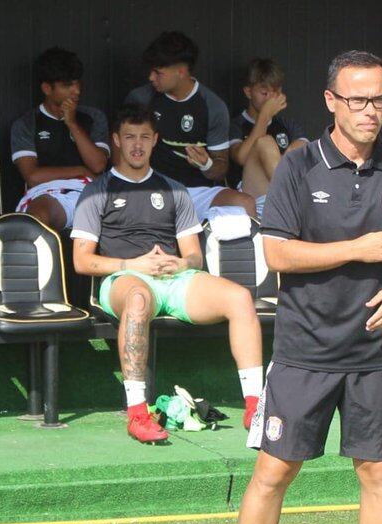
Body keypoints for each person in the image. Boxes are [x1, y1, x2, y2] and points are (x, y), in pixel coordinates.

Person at [212, 50, 382, 524]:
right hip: (305, 351)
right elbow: (277, 253)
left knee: (380, 473)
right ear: (332, 101)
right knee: (273, 471)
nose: (370, 111)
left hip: (376, 355)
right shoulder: (299, 166)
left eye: (380, 98)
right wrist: (357, 249)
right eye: (357, 99)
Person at [71, 105, 262, 443]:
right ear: (116, 140)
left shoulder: (174, 189)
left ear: (155, 140)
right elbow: (83, 261)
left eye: (145, 137)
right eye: (129, 137)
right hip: (124, 278)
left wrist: (181, 264)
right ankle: (137, 413)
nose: (137, 145)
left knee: (240, 297)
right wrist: (134, 265)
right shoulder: (97, 191)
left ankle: (255, 406)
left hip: (173, 279)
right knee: (138, 300)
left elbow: (193, 255)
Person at [124, 31, 257, 220]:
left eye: (158, 72)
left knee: (245, 203)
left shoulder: (213, 106)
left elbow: (221, 167)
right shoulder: (141, 99)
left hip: (197, 192)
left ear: (181, 72)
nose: (151, 77)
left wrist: (206, 164)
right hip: (150, 189)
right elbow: (121, 152)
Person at [11, 47, 109, 231]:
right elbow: (32, 176)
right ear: (47, 88)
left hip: (89, 190)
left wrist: (72, 124)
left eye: (77, 83)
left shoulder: (93, 117)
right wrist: (79, 170)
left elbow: (98, 165)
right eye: (67, 85)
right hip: (48, 193)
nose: (77, 91)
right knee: (38, 216)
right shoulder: (26, 123)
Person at [229, 58, 308, 213]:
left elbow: (304, 151)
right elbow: (241, 158)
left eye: (276, 92)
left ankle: (293, 202)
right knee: (265, 143)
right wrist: (264, 116)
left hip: (280, 197)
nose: (271, 98)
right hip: (251, 196)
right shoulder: (237, 124)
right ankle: (297, 202)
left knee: (301, 145)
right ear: (248, 92)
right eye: (264, 93)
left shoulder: (286, 124)